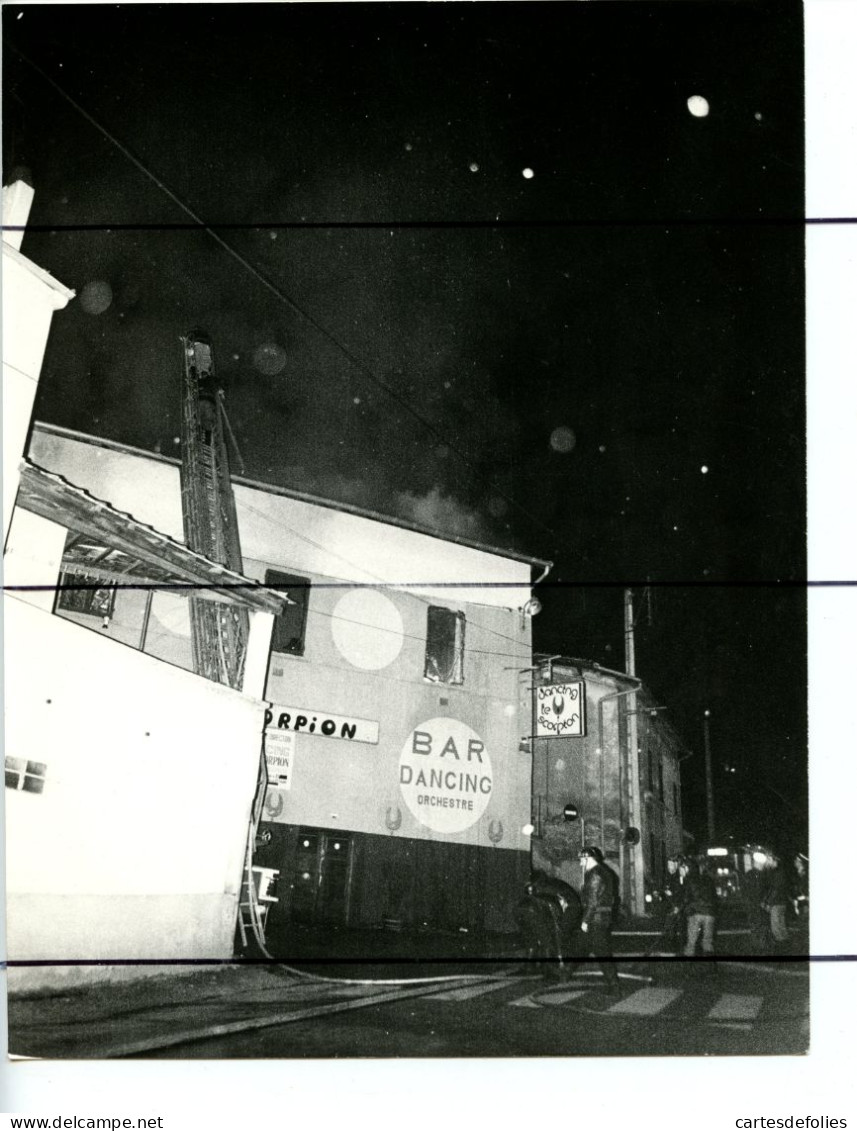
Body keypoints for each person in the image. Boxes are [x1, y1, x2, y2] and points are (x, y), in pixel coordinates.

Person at [567, 846, 620, 994]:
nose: (580, 862)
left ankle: (615, 987)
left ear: (588, 859)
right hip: (601, 917)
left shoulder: (595, 874)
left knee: (602, 952)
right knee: (580, 946)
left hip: (596, 919)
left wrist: (585, 921)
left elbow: (592, 902)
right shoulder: (603, 871)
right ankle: (564, 974)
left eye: (581, 859)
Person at [514, 870, 582, 980]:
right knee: (541, 937)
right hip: (535, 910)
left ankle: (548, 968)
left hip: (570, 908)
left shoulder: (547, 890)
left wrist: (557, 927)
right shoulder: (543, 890)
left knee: (549, 938)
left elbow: (555, 915)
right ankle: (539, 967)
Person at [680, 859, 718, 966]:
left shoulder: (689, 880)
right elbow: (714, 897)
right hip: (710, 913)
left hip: (696, 912)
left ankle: (687, 965)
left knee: (691, 940)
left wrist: (685, 910)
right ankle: (710, 966)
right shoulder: (708, 879)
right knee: (707, 941)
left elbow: (687, 898)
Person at [761, 854, 790, 949]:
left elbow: (774, 889)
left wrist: (768, 903)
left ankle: (782, 948)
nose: (767, 862)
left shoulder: (776, 873)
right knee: (781, 926)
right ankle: (786, 946)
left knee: (776, 927)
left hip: (776, 903)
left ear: (775, 861)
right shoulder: (780, 872)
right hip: (782, 902)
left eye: (769, 859)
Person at [661, 854, 686, 954]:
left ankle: (680, 950)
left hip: (679, 907)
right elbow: (665, 890)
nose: (669, 867)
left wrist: (678, 906)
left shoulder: (680, 876)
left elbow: (683, 892)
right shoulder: (668, 876)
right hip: (671, 907)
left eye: (671, 865)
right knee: (670, 929)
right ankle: (672, 948)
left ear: (676, 864)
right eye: (668, 865)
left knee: (681, 928)